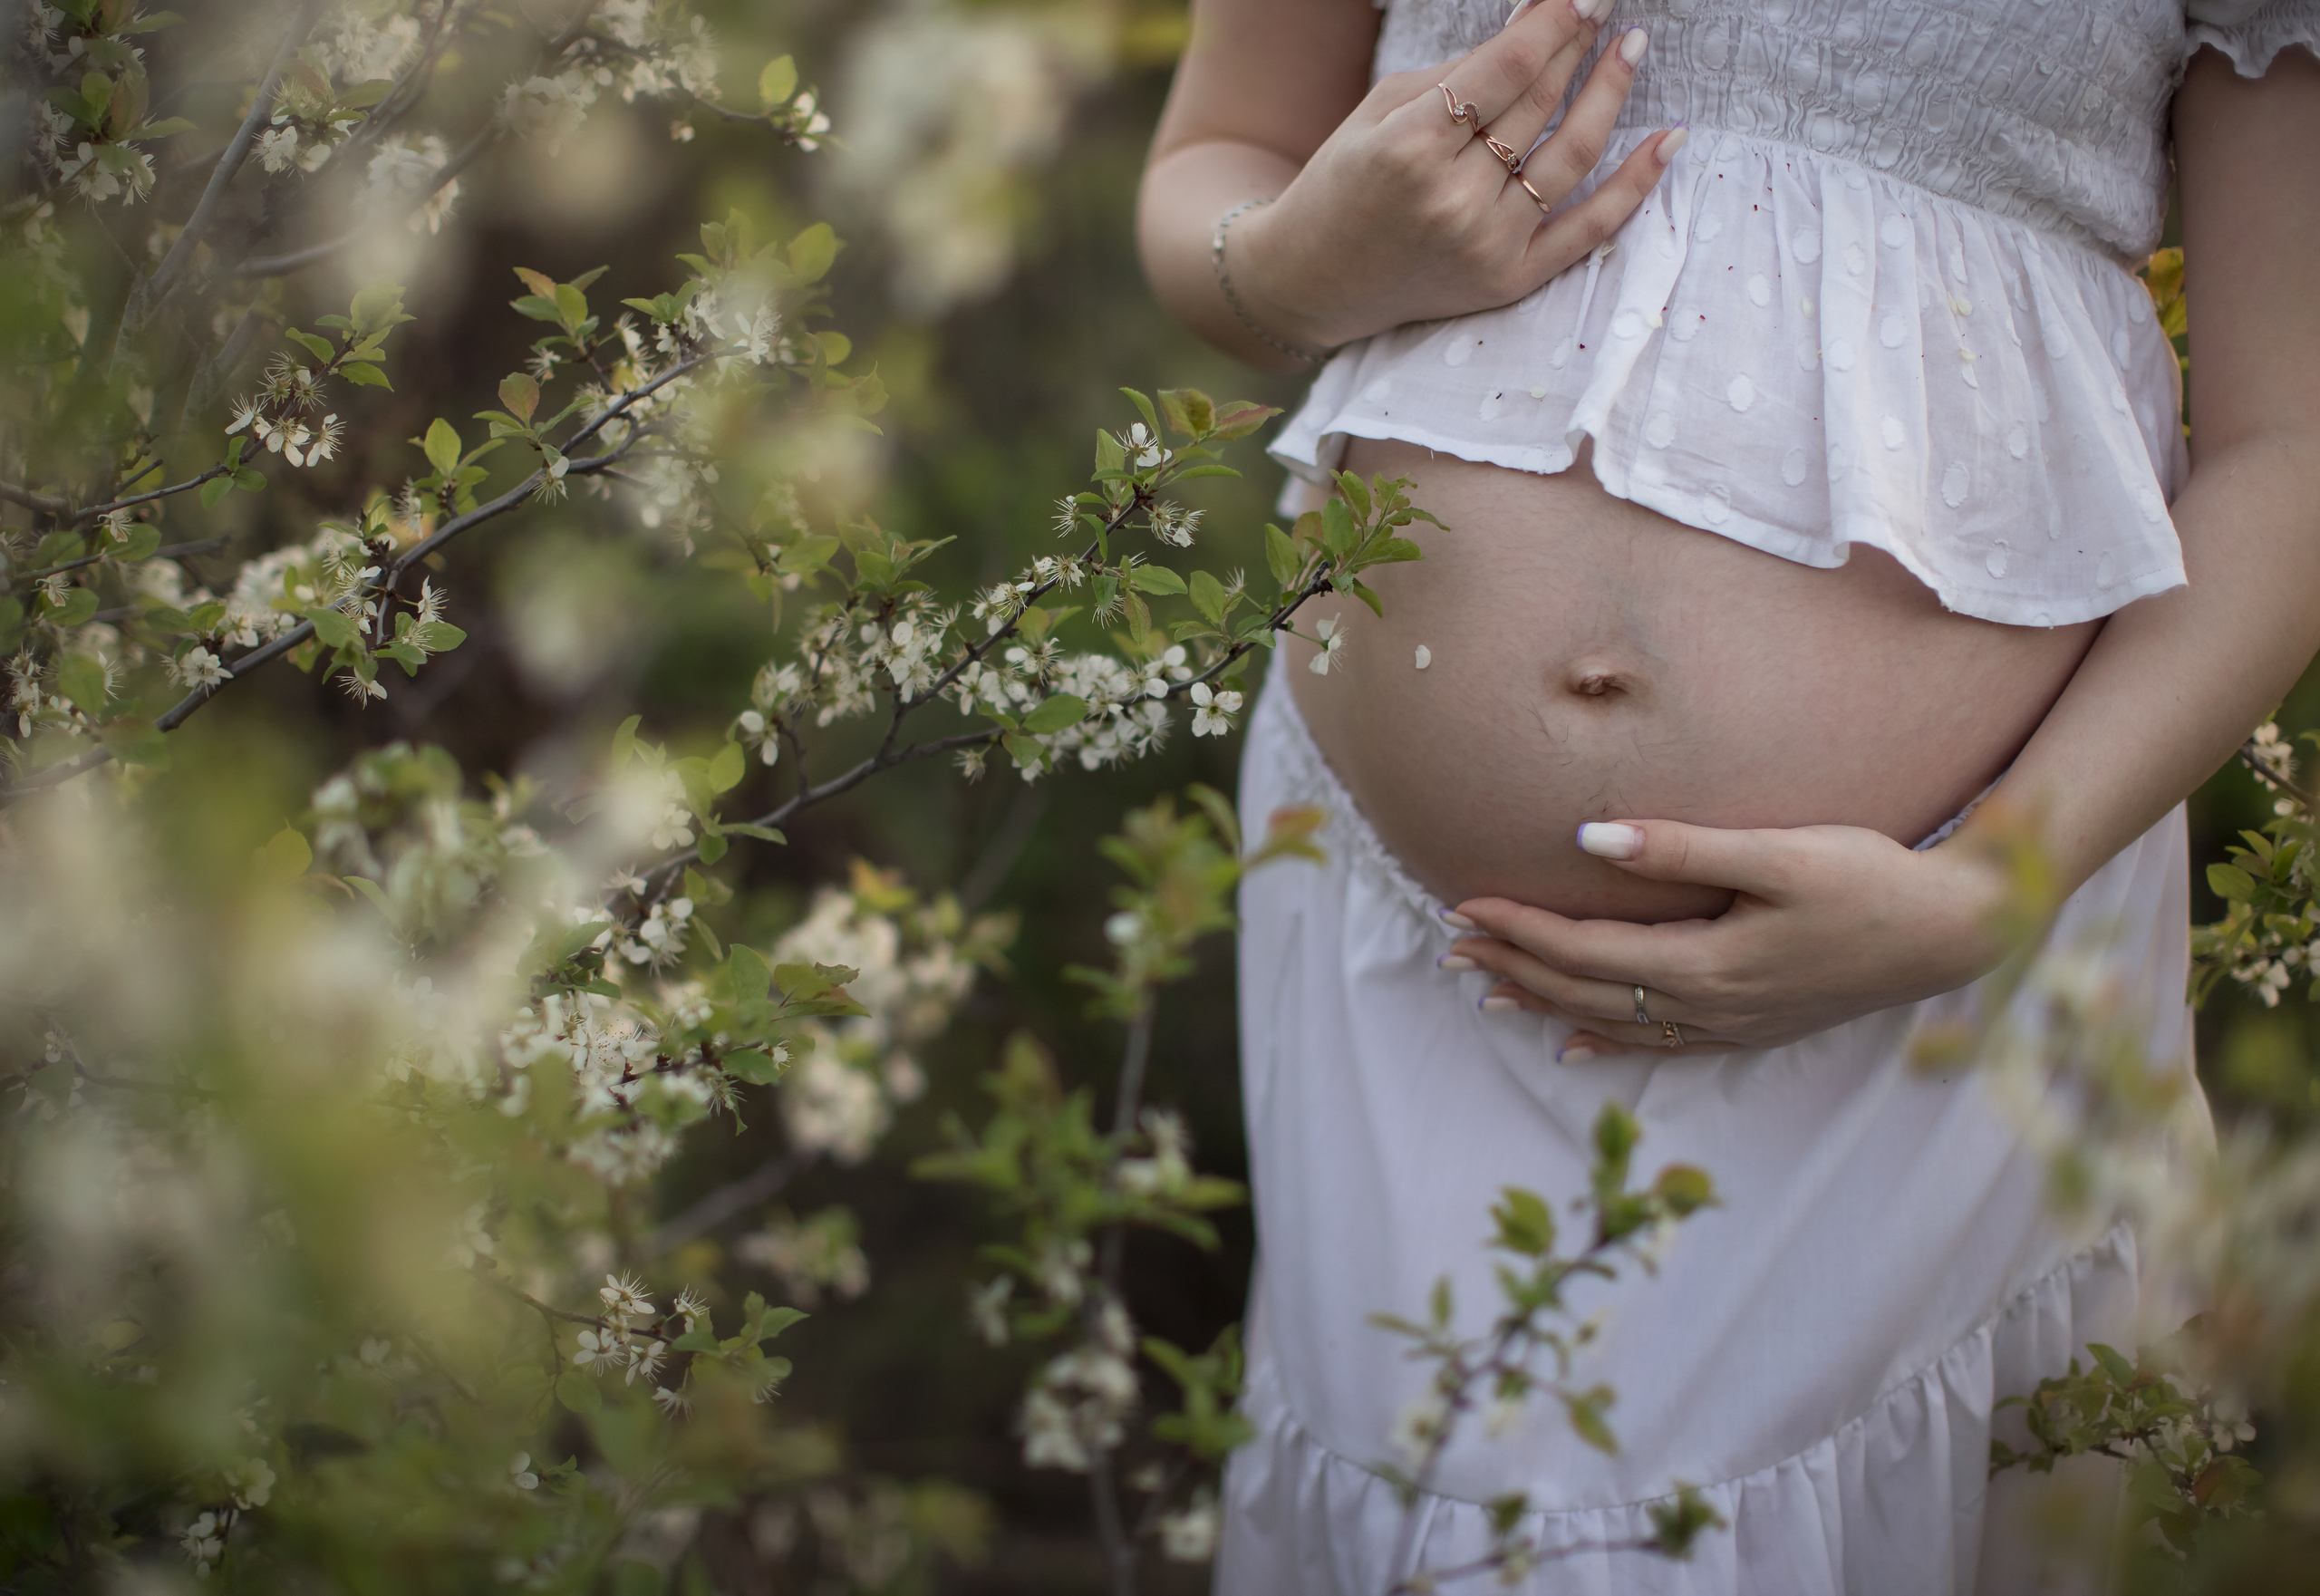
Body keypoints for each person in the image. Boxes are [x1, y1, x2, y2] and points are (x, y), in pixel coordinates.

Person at [1136, 0, 2320, 1589]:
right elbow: (1218, 157)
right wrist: (1285, 265)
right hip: (1417, 958)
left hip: (1932, 966)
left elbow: (2292, 440)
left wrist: (1989, 888)